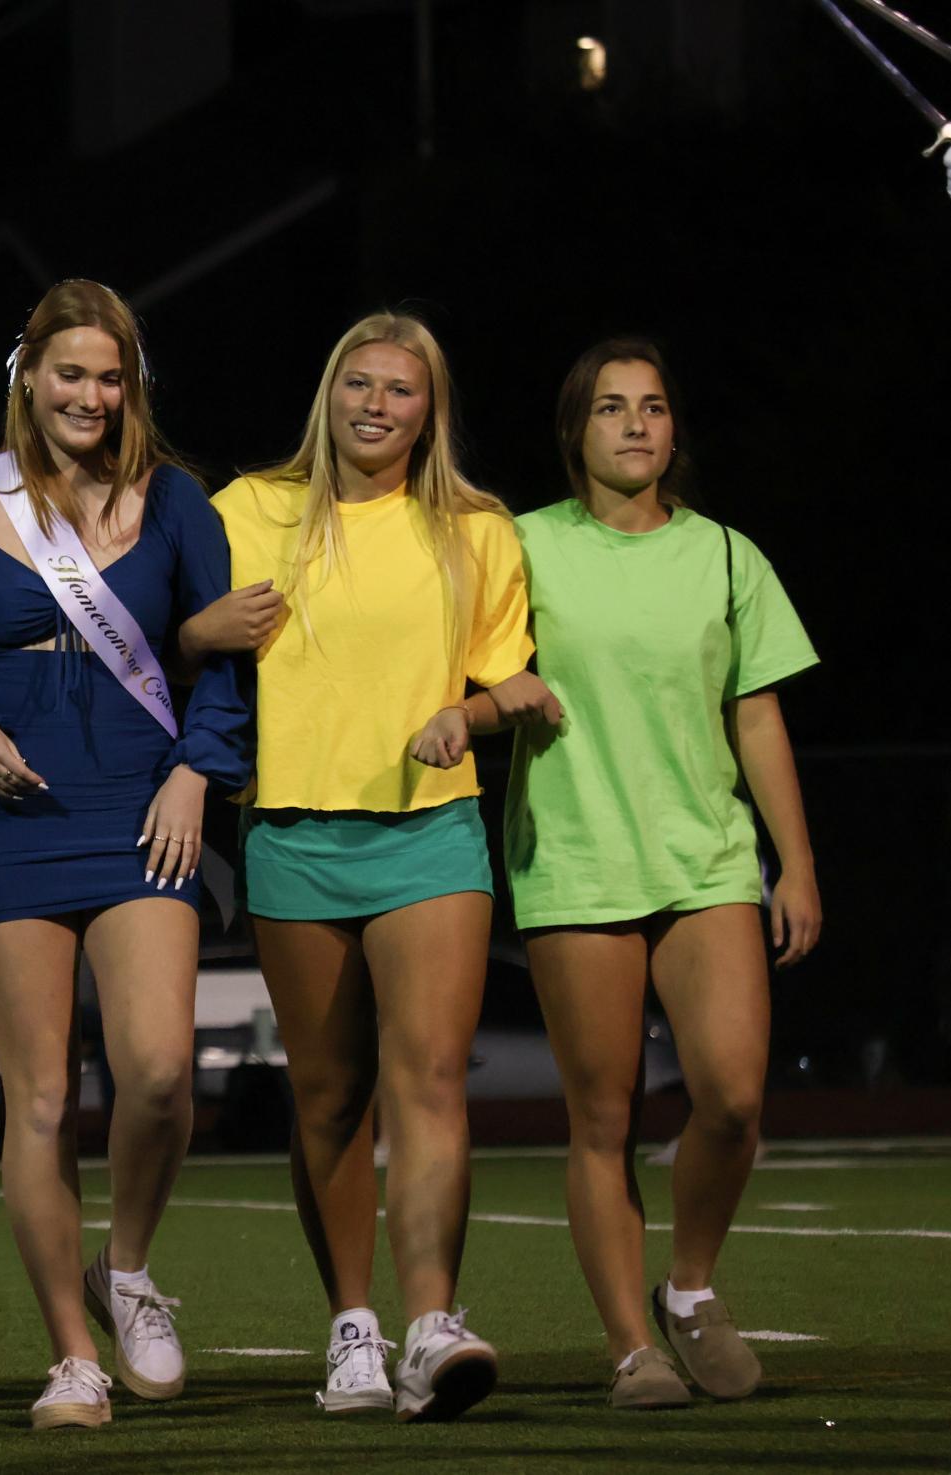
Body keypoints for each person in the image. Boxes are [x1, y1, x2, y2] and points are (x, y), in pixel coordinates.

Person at [0, 280, 251, 1430]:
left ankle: (128, 1268)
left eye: (110, 376)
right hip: (8, 811)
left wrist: (200, 765)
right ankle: (73, 1355)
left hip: (145, 804)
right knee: (37, 1095)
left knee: (154, 1072)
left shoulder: (179, 501)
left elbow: (227, 656)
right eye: (70, 373)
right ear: (27, 377)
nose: (89, 395)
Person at [190, 312, 549, 1421]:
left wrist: (468, 713)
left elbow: (518, 683)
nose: (375, 404)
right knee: (329, 1093)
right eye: (358, 382)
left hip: (429, 829)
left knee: (431, 1077)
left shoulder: (474, 527)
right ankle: (353, 1324)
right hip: (293, 829)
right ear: (328, 393)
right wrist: (204, 630)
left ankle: (433, 1323)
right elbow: (164, 632)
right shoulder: (250, 509)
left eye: (401, 389)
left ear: (429, 410)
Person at [495, 338, 820, 1408]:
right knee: (605, 1113)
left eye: (654, 406)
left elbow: (759, 711)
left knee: (731, 1094)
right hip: (578, 857)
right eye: (610, 407)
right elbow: (474, 660)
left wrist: (796, 864)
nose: (636, 423)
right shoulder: (523, 545)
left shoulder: (729, 556)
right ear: (573, 430)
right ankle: (632, 1345)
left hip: (709, 860)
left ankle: (688, 1287)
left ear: (676, 429)